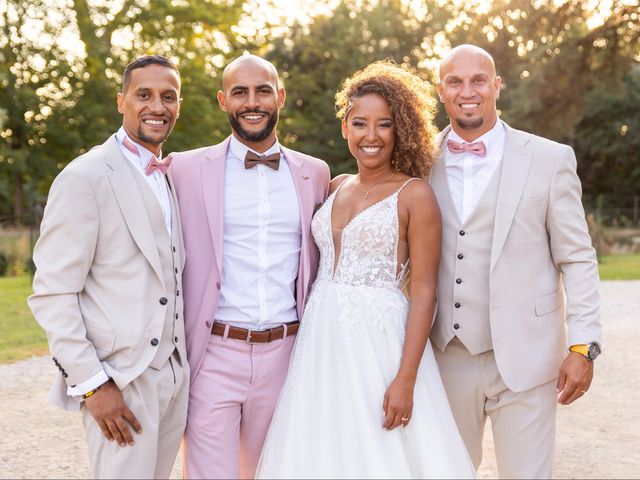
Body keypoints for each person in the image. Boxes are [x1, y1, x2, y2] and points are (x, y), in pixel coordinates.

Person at [256, 60, 476, 478]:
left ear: (401, 130)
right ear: (345, 127)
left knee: (381, 453)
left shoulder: (416, 195)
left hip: (381, 346)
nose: (370, 136)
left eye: (384, 125)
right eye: (360, 123)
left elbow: (425, 291)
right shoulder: (335, 185)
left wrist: (406, 378)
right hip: (320, 344)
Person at [429, 44, 602, 478]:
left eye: (479, 80)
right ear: (441, 90)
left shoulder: (549, 159)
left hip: (529, 355)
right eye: (455, 81)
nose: (468, 91)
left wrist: (584, 346)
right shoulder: (416, 161)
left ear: (496, 86)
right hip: (445, 356)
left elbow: (578, 258)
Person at [169, 54, 331, 479]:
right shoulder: (184, 168)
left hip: (287, 352)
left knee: (276, 471)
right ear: (224, 100)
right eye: (240, 92)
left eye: (262, 90)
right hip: (212, 353)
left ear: (279, 96)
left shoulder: (314, 173)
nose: (252, 101)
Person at [28, 55, 188, 478]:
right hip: (119, 379)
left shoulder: (171, 175)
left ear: (178, 105)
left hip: (173, 377)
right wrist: (94, 386)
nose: (157, 106)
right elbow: (54, 292)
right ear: (122, 101)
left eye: (168, 96)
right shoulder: (85, 176)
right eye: (144, 95)